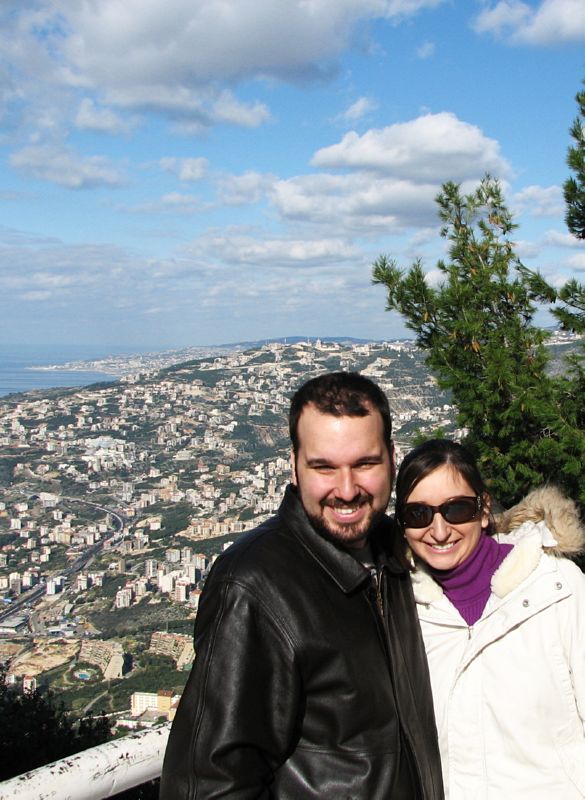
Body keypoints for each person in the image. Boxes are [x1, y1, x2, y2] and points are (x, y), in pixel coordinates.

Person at [160, 372, 444, 799]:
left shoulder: (398, 551)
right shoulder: (255, 585)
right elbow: (210, 784)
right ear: (293, 466)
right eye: (324, 467)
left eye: (365, 464)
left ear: (391, 457)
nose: (346, 491)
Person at [395, 438, 585, 800]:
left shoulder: (557, 587)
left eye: (456, 509)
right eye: (418, 514)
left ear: (483, 509)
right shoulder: (403, 611)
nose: (438, 531)